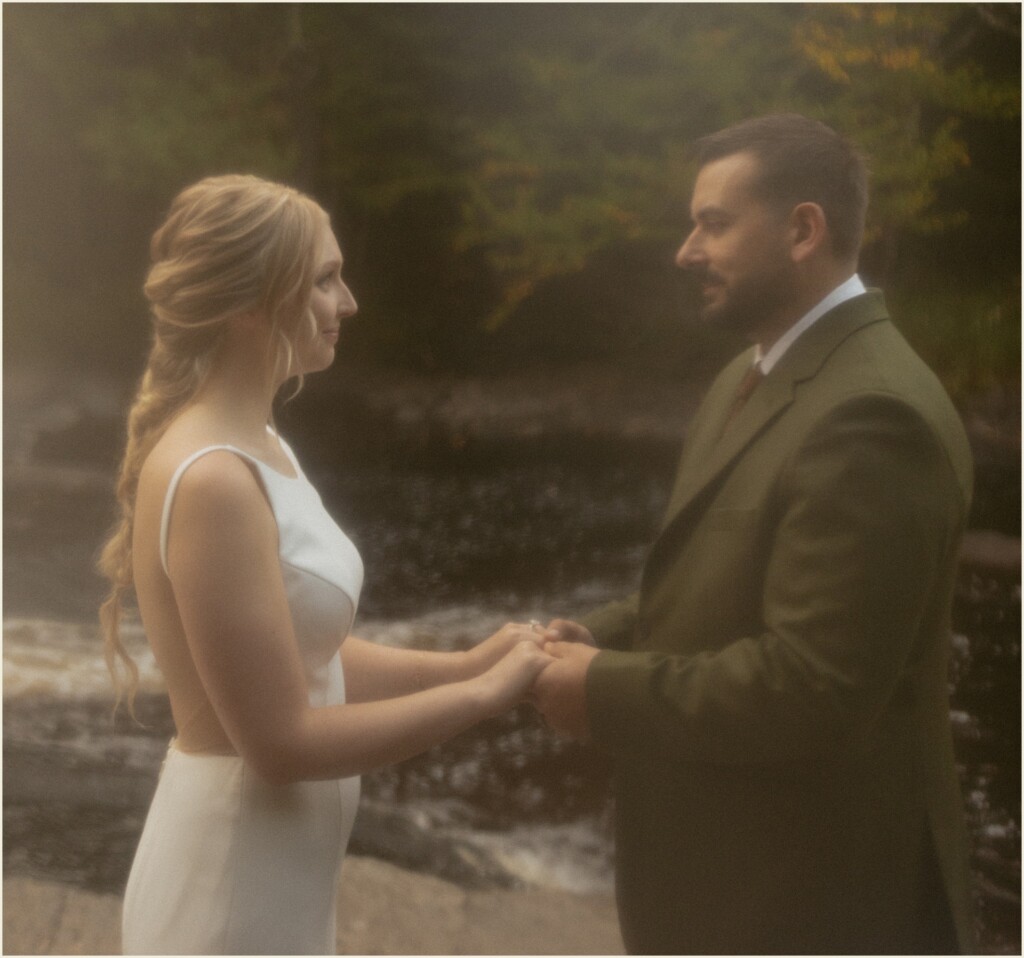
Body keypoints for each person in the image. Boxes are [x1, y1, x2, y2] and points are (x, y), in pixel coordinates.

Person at [532, 114, 977, 954]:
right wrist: (595, 634)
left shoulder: (872, 414)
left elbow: (811, 690)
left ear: (803, 228)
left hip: (814, 905)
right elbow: (716, 582)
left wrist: (599, 689)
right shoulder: (749, 371)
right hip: (732, 889)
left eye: (715, 223)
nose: (685, 251)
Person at [97, 174, 552, 955]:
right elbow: (278, 745)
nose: (349, 304)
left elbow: (307, 654)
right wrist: (480, 698)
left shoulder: (263, 443)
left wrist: (464, 662)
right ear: (250, 304)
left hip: (279, 878)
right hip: (230, 892)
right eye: (324, 280)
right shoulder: (213, 478)